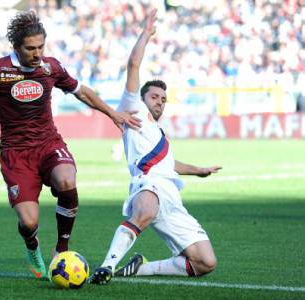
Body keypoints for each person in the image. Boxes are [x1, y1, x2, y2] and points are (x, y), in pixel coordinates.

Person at [0, 11, 140, 279]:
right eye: (30, 48)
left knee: (67, 181)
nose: (37, 53)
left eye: (41, 47)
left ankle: (61, 250)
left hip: (48, 143)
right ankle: (32, 246)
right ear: (16, 47)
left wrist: (112, 113)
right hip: (16, 154)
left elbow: (82, 92)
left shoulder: (51, 67)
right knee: (29, 221)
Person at [90, 9, 221, 284]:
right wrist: (146, 34)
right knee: (146, 211)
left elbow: (170, 165)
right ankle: (107, 267)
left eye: (163, 98)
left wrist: (198, 171)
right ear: (142, 97)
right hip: (148, 184)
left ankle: (140, 268)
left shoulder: (160, 132)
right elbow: (133, 65)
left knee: (205, 262)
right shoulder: (133, 108)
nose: (160, 101)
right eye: (155, 96)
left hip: (172, 198)